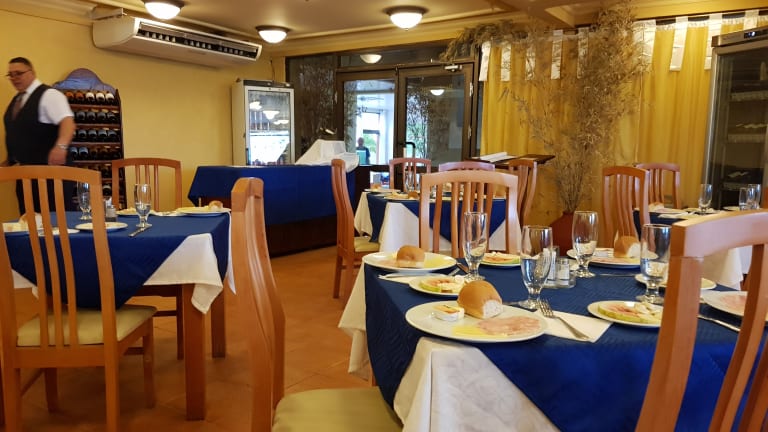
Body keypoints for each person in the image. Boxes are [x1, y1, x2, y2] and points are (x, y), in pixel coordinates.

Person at [2, 57, 75, 213]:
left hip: (51, 174)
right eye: (11, 75)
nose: (14, 78)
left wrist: (61, 147)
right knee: (29, 222)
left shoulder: (49, 95)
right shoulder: (17, 99)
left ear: (32, 72)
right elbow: (21, 133)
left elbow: (67, 122)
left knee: (57, 222)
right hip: (26, 175)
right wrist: (9, 162)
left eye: (18, 73)